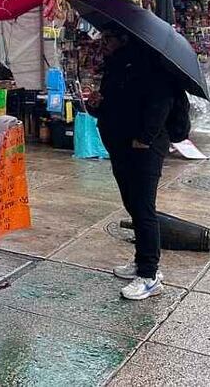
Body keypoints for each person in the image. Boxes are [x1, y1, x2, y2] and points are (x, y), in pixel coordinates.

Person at [88, 25, 177, 301]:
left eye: (108, 39)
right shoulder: (116, 64)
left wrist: (144, 138)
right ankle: (141, 262)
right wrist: (95, 104)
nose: (104, 44)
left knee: (143, 207)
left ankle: (150, 275)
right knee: (132, 204)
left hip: (143, 148)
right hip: (119, 144)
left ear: (124, 38)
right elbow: (112, 104)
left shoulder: (151, 65)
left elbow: (162, 102)